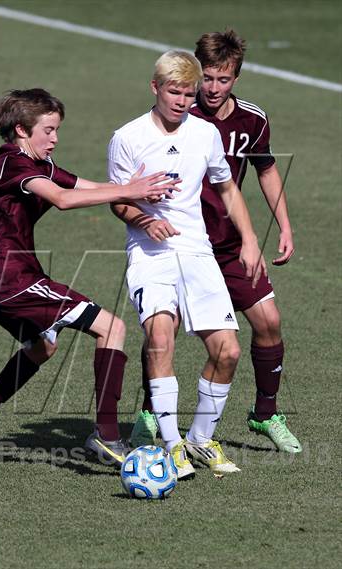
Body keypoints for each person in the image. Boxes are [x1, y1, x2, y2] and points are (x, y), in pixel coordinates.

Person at [0, 88, 178, 466]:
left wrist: (137, 194)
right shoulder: (15, 166)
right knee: (112, 328)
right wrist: (128, 189)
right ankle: (106, 437)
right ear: (22, 130)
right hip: (8, 279)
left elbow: (83, 187)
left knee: (43, 347)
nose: (55, 138)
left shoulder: (38, 164)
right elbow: (63, 199)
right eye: (49, 130)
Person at [131, 30, 302, 454]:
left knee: (268, 322)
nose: (210, 89)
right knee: (161, 328)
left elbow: (264, 170)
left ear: (236, 79)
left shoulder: (252, 121)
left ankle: (265, 415)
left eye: (221, 80)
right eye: (205, 78)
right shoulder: (176, 116)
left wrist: (282, 225)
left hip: (227, 244)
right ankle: (153, 412)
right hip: (180, 242)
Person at [109, 51, 266, 478]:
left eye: (188, 93)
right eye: (174, 91)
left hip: (198, 251)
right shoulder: (128, 137)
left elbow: (228, 188)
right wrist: (144, 219)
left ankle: (199, 439)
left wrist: (250, 240)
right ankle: (172, 445)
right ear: (155, 88)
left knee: (228, 350)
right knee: (161, 339)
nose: (181, 100)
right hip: (151, 254)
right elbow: (117, 200)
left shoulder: (205, 134)